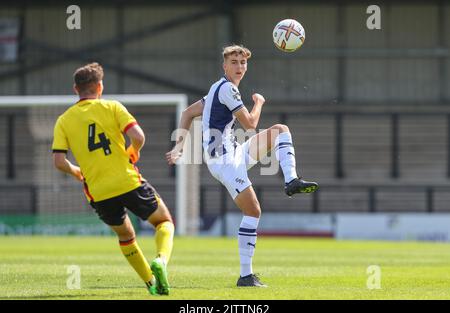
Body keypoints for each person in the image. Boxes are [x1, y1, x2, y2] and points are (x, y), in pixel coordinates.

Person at [166, 45, 318, 287]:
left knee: (280, 130)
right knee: (253, 211)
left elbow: (186, 113)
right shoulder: (227, 90)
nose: (239, 67)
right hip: (224, 161)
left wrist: (179, 147)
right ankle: (245, 276)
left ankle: (291, 180)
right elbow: (250, 124)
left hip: (233, 152)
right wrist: (259, 102)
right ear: (224, 66)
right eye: (234, 62)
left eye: (243, 63)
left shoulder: (217, 88)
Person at [52, 62, 174, 296]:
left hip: (98, 190)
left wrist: (77, 171)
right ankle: (161, 261)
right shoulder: (113, 107)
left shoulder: (64, 120)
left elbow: (59, 162)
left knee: (126, 236)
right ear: (100, 86)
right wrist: (133, 150)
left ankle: (150, 283)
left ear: (75, 89)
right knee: (163, 222)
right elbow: (138, 136)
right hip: (128, 181)